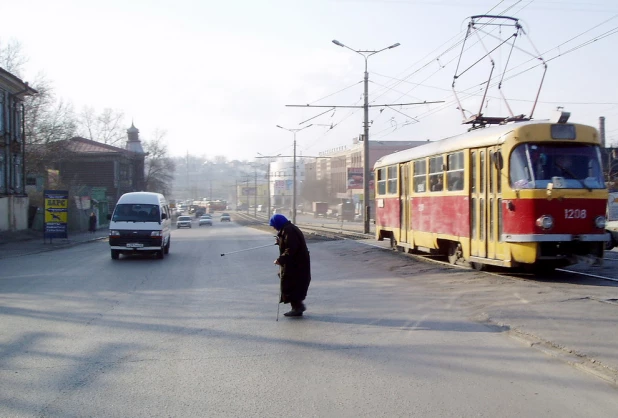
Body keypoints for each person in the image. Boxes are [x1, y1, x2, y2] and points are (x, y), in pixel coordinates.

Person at [270, 214, 311, 317]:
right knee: (290, 282)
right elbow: (288, 244)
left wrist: (280, 260)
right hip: (295, 263)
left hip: (296, 264)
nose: (274, 227)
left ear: (278, 223)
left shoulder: (289, 230)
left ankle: (297, 308)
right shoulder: (287, 229)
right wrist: (280, 242)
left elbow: (291, 248)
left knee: (291, 283)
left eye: (274, 225)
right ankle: (297, 306)